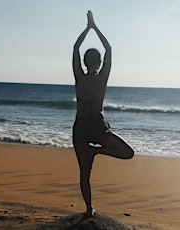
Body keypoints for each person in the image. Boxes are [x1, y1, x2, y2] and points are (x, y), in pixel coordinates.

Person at [72, 10, 134, 218]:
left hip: (81, 125)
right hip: (97, 126)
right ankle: (96, 152)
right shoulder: (102, 78)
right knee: (128, 153)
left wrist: (87, 28)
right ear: (98, 64)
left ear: (84, 63)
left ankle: (89, 209)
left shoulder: (79, 77)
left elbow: (75, 48)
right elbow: (108, 48)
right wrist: (94, 26)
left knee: (84, 173)